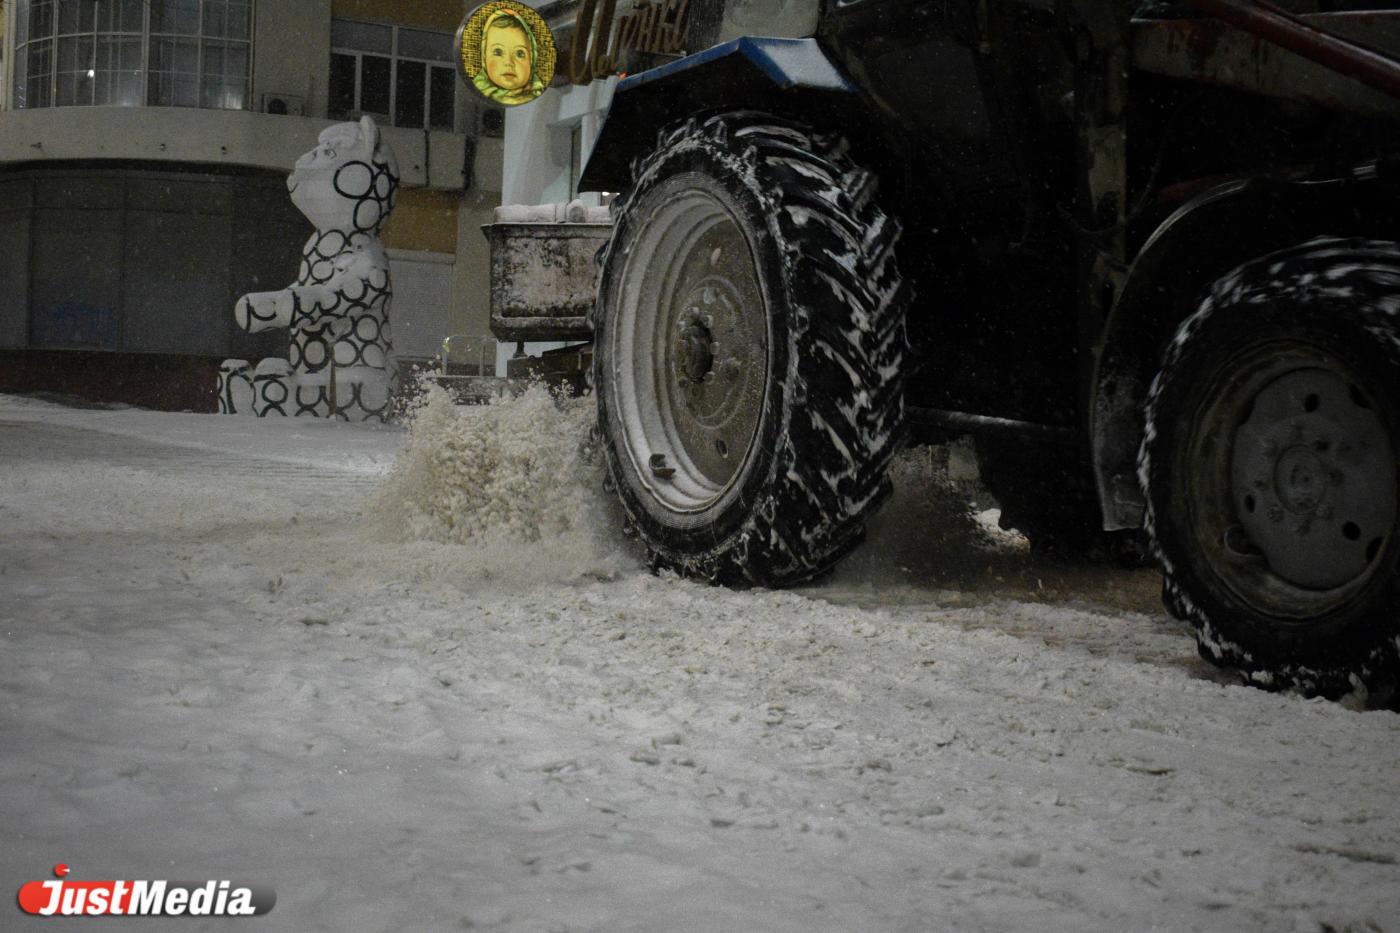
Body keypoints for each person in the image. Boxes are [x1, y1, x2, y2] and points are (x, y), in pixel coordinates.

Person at [474, 9, 546, 106]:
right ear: (483, 57)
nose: (509, 62)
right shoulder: (480, 92)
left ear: (532, 60)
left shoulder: (538, 92)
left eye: (520, 53)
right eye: (498, 52)